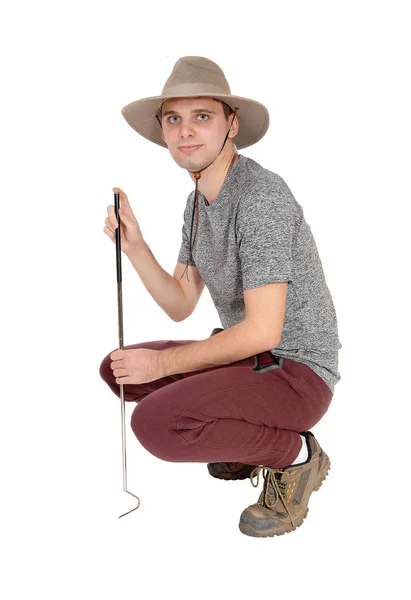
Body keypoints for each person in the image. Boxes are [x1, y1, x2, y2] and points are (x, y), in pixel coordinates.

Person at [99, 56, 342, 538]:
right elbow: (180, 302)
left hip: (295, 375)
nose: (187, 131)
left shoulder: (260, 199)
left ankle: (297, 457)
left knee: (156, 423)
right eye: (175, 119)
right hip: (251, 361)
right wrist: (135, 246)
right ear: (163, 132)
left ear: (231, 125)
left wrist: (164, 367)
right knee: (120, 369)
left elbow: (263, 331)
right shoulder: (198, 203)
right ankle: (243, 440)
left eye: (202, 116)